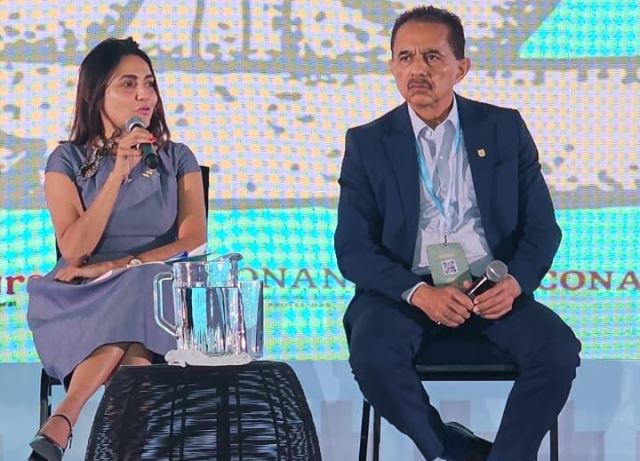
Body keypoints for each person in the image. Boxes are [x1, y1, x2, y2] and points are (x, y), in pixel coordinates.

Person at [334, 6, 581, 461]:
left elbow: (542, 228)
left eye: (432, 56)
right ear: (392, 67)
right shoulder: (367, 142)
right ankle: (454, 452)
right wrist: (418, 293)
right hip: (404, 293)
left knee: (558, 351)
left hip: (489, 287)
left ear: (461, 67)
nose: (417, 69)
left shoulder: (502, 128)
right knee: (373, 355)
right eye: (405, 57)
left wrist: (514, 283)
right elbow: (352, 249)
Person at [26, 37, 206, 460]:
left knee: (144, 285)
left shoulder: (177, 157)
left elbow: (193, 237)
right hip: (81, 296)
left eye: (149, 83)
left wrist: (122, 266)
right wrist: (116, 173)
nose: (144, 95)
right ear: (96, 94)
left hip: (158, 292)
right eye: (128, 84)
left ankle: (65, 417)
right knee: (135, 340)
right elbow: (74, 251)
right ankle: (122, 446)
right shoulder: (66, 160)